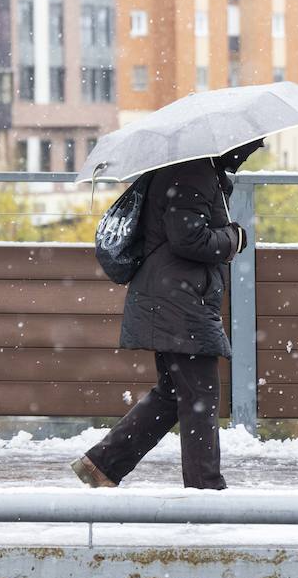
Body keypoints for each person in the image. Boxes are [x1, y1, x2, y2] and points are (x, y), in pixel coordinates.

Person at [72, 138, 265, 490]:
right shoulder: (192, 173)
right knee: (200, 394)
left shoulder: (195, 171)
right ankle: (205, 487)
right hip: (179, 302)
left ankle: (103, 465)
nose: (254, 150)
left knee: (175, 393)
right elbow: (188, 239)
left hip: (173, 298)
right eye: (252, 145)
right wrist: (233, 238)